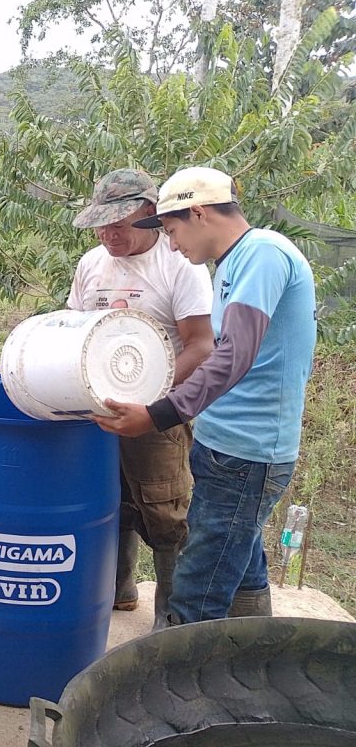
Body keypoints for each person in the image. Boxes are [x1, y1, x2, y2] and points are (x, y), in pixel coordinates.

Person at [93, 166, 316, 625]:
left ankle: (173, 686)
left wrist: (157, 415)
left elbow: (232, 354)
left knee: (198, 590)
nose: (173, 244)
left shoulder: (263, 255)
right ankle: (252, 655)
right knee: (242, 566)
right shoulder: (233, 264)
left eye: (173, 231)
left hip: (249, 453)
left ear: (198, 213)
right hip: (225, 446)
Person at [70, 168, 214, 629]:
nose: (108, 234)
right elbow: (75, 330)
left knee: (165, 511)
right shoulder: (92, 264)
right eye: (101, 224)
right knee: (112, 501)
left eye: (119, 223)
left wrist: (155, 404)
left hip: (157, 414)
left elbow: (200, 345)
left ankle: (170, 620)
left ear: (150, 216)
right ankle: (118, 591)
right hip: (99, 411)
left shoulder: (180, 264)